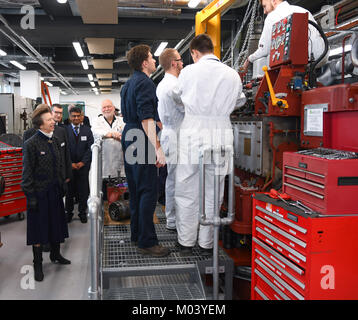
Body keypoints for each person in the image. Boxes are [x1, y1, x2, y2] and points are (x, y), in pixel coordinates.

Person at [173, 34, 243, 255]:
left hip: (193, 133)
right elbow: (240, 100)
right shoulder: (232, 74)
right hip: (221, 134)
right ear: (212, 49)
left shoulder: (188, 72)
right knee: (214, 190)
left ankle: (186, 241)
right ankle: (207, 244)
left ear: (194, 52)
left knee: (187, 188)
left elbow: (177, 96)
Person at [120, 44, 169, 257]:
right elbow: (146, 118)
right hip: (141, 137)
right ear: (144, 63)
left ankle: (137, 234)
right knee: (149, 191)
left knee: (136, 189)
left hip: (130, 135)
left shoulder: (127, 84)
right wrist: (158, 149)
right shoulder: (146, 83)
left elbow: (139, 115)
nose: (155, 60)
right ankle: (147, 242)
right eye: (152, 57)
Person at [21, 104, 70, 282]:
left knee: (56, 225)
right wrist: (31, 197)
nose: (53, 122)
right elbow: (26, 175)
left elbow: (60, 165)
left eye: (52, 119)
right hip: (39, 195)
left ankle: (56, 255)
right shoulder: (31, 143)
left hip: (55, 192)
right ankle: (38, 264)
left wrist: (63, 182)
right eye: (49, 120)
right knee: (38, 231)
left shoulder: (54, 140)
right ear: (40, 124)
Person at [242, 0, 327, 73]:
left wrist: (250, 59)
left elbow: (264, 50)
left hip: (298, 64)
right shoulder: (303, 10)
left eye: (265, 6)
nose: (264, 11)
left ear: (273, 1)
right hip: (321, 58)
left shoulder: (272, 15)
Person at [156, 48, 184, 231]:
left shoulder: (162, 84)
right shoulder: (175, 85)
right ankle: (175, 221)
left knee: (172, 179)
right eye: (180, 60)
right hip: (177, 136)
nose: (183, 63)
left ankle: (172, 219)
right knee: (180, 180)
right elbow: (187, 109)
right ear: (173, 63)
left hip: (169, 134)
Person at [64, 106, 94, 223]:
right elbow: (63, 149)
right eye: (73, 116)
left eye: (78, 116)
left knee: (83, 191)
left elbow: (90, 148)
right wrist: (70, 163)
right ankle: (69, 213)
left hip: (83, 167)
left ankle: (82, 213)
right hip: (69, 167)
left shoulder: (87, 130)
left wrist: (83, 162)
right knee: (69, 192)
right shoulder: (64, 131)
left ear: (81, 117)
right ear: (70, 117)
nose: (76, 118)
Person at [92, 99, 125, 200]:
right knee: (106, 194)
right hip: (105, 163)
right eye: (104, 107)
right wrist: (112, 134)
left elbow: (125, 133)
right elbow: (96, 132)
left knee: (120, 193)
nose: (107, 109)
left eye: (109, 107)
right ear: (101, 110)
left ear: (114, 108)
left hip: (120, 160)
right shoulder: (97, 121)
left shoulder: (121, 121)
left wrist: (110, 135)